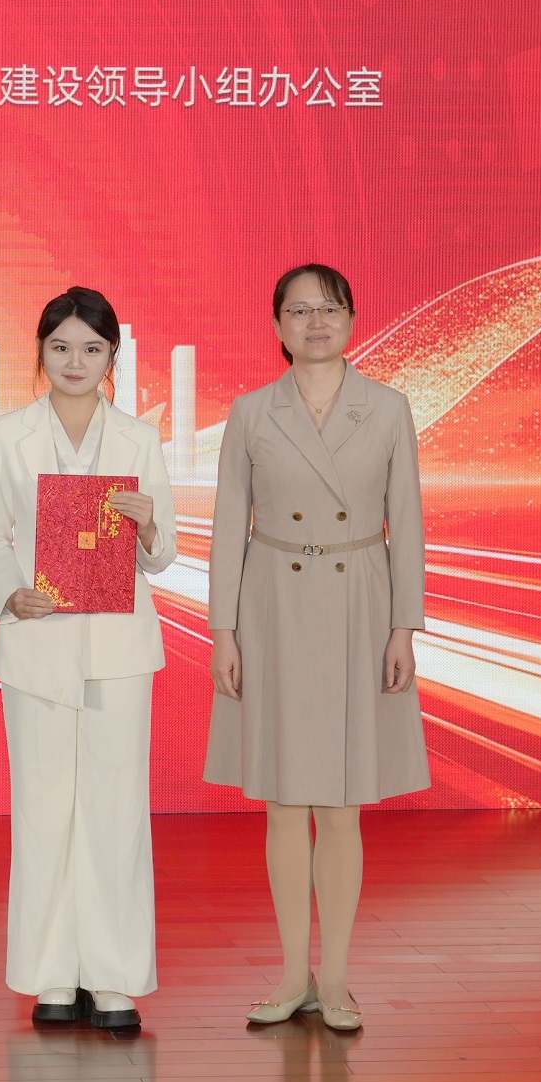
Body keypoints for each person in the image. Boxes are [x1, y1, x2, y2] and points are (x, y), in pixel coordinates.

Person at [203, 262, 429, 1032]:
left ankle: (335, 979)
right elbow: (228, 526)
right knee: (283, 801)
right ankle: (291, 974)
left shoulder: (388, 408)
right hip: (273, 604)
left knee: (340, 805)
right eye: (299, 311)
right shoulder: (251, 413)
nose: (316, 322)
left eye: (329, 308)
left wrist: (404, 627)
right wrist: (224, 631)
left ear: (353, 318)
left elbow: (408, 523)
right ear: (277, 327)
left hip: (359, 602)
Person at [0, 286, 178, 1032]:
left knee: (116, 810)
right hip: (39, 639)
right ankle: (52, 975)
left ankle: (112, 978)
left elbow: (162, 555)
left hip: (118, 647)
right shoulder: (10, 435)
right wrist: (11, 591)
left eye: (92, 348)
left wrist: (148, 528)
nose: (75, 361)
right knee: (44, 806)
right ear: (41, 352)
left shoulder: (138, 439)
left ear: (112, 356)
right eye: (61, 347)